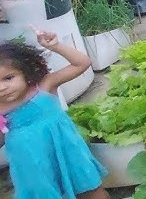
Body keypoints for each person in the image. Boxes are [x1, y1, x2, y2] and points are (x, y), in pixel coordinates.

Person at [0, 28, 108, 198]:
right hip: (29, 160)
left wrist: (56, 46)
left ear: (25, 71)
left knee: (91, 188)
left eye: (8, 78)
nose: (2, 88)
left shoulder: (44, 85)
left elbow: (82, 63)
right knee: (43, 192)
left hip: (66, 146)